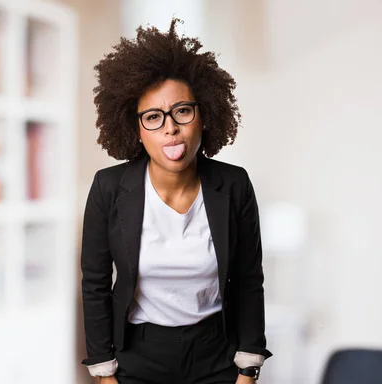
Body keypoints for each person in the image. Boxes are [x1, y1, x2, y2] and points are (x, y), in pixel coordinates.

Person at [80, 19, 272, 384]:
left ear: (204, 115)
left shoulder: (234, 185)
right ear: (135, 129)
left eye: (182, 111)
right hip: (138, 355)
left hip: (217, 353)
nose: (170, 128)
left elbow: (249, 280)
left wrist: (248, 368)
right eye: (153, 117)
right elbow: (95, 282)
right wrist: (104, 373)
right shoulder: (108, 187)